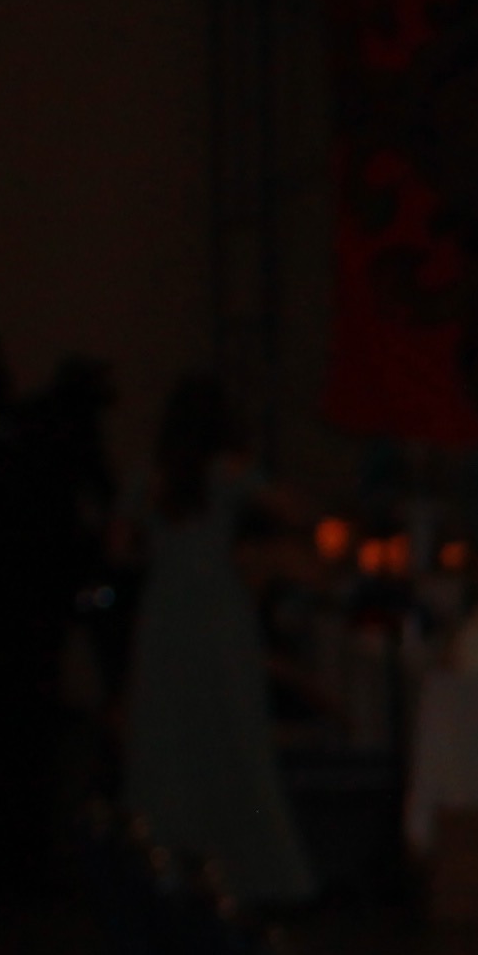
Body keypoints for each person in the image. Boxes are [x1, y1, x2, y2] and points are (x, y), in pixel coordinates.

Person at [118, 372, 316, 908]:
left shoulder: (150, 477)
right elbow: (295, 511)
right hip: (219, 616)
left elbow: (120, 547)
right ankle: (254, 869)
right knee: (237, 739)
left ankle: (166, 861)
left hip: (166, 614)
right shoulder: (227, 472)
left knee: (167, 741)